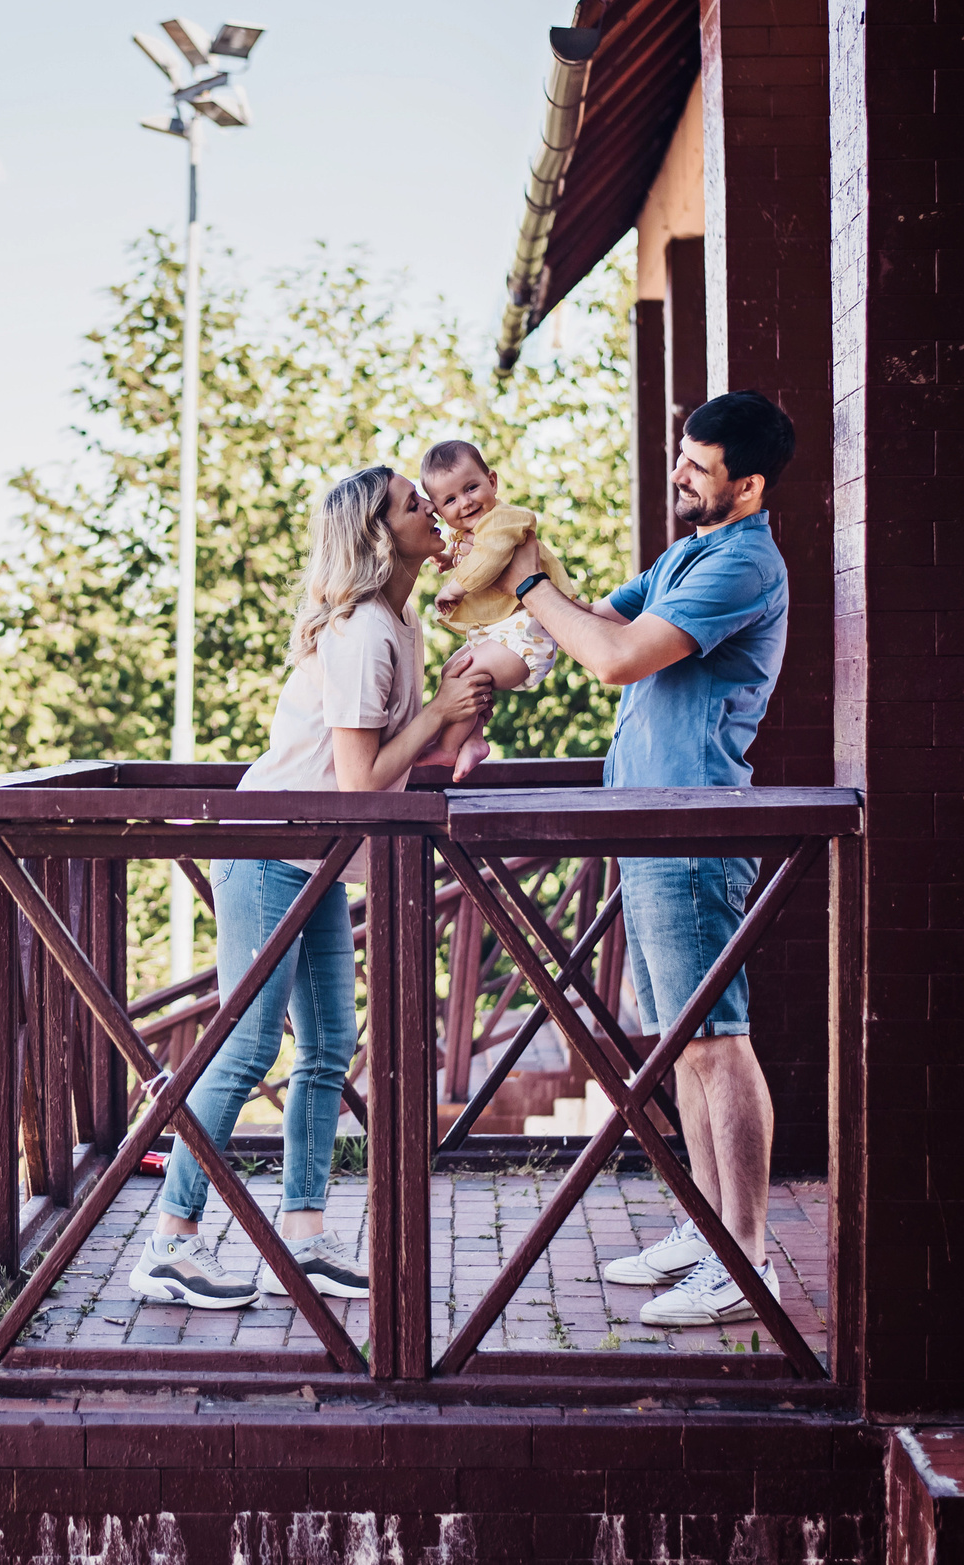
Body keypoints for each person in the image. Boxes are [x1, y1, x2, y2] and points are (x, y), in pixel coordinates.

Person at [131, 465, 498, 1309]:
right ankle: (169, 1244)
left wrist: (460, 722)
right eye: (418, 504)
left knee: (330, 1046)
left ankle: (303, 1237)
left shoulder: (400, 623)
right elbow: (358, 782)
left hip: (319, 858)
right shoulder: (365, 629)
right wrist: (440, 714)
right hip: (268, 849)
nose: (436, 510)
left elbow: (397, 758)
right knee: (250, 1045)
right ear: (381, 534)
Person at [498, 389, 796, 1329]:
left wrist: (524, 582)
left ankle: (745, 1262)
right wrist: (487, 648)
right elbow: (579, 619)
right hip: (652, 826)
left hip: (694, 833)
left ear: (746, 485)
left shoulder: (743, 565)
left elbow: (619, 656)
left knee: (719, 1043)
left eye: (698, 466)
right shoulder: (687, 553)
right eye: (680, 454)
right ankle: (704, 1226)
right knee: (682, 1043)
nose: (679, 474)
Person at [420, 439, 573, 779]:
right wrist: (448, 559)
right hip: (504, 633)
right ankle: (474, 738)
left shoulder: (503, 520)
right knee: (451, 672)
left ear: (492, 481)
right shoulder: (468, 532)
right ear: (439, 510)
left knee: (465, 675)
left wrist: (455, 588)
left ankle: (448, 747)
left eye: (471, 487)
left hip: (527, 634)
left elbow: (489, 560)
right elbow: (472, 555)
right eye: (450, 500)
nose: (465, 502)